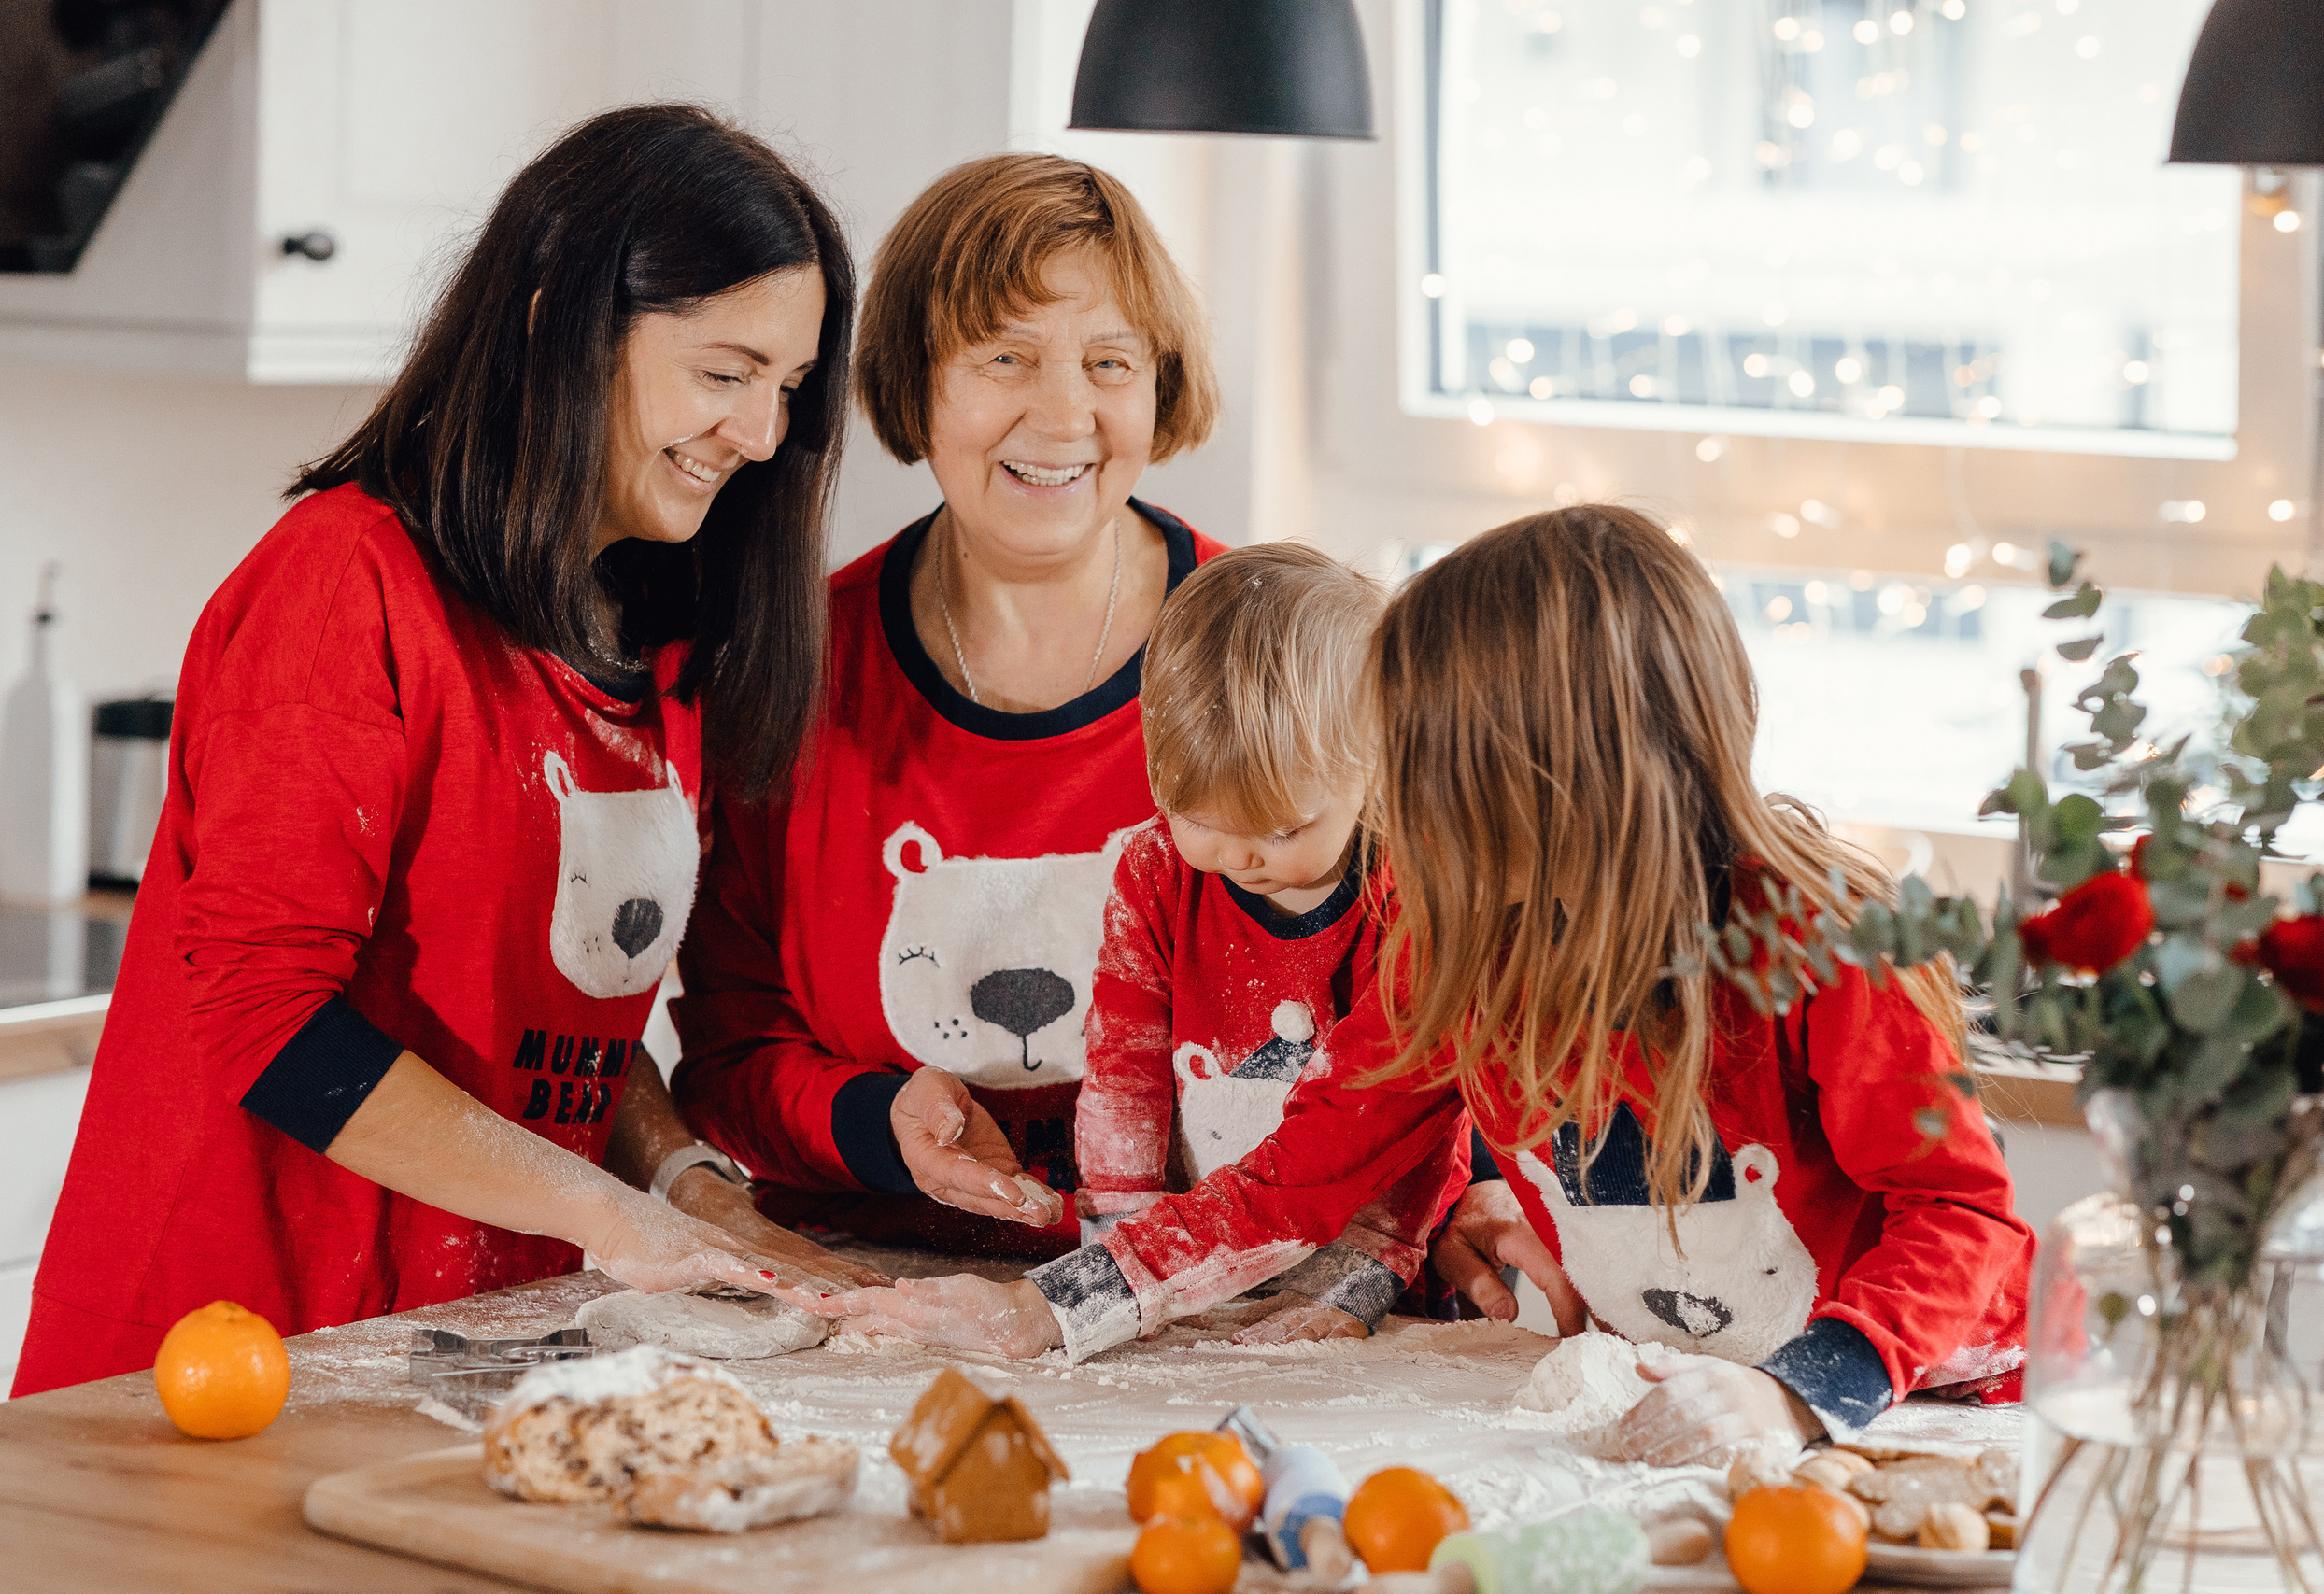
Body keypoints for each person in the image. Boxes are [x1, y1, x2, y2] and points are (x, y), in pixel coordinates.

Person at [829, 504, 2034, 1468]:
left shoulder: (1821, 943)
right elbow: (1293, 1184)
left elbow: (1965, 1217)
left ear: (1552, 784)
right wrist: (1054, 1307)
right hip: (1678, 1415)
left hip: (1910, 1422)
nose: (1396, 810)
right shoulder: (1462, 949)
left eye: (1421, 768)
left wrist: (1799, 1400)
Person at [13, 106, 872, 1396]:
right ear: (551, 323)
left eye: (787, 388)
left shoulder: (658, 650)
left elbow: (542, 1031)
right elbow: (270, 1020)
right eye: (724, 371)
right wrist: (610, 1216)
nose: (758, 436)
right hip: (220, 1368)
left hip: (460, 1360)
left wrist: (689, 1184)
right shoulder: (344, 591)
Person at [670, 153, 1226, 1259]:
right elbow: (730, 1057)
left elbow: (1398, 1026)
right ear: (914, 384)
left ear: (1160, 390)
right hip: (865, 1284)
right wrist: (878, 1126)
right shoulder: (790, 666)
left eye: (1109, 362)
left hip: (1209, 1297)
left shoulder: (1270, 663)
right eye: (1003, 357)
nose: (1063, 413)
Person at [1073, 543, 1469, 1345]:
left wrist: (1360, 1277)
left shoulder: (1419, 895)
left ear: (1375, 766)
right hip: (1193, 1238)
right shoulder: (1153, 872)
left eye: (1281, 829)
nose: (1238, 856)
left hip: (1368, 1244)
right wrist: (1120, 1240)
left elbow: (1401, 1132)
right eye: (1199, 820)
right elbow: (1125, 1075)